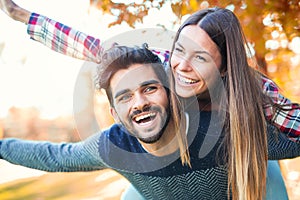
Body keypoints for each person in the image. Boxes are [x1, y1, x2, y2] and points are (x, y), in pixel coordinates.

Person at [1, 1, 300, 199]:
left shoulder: (250, 100)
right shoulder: (162, 66)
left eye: (201, 58)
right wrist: (23, 16)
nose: (183, 66)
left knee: (265, 173)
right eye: (181, 51)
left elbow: (293, 132)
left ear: (224, 69)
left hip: (244, 168)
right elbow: (93, 47)